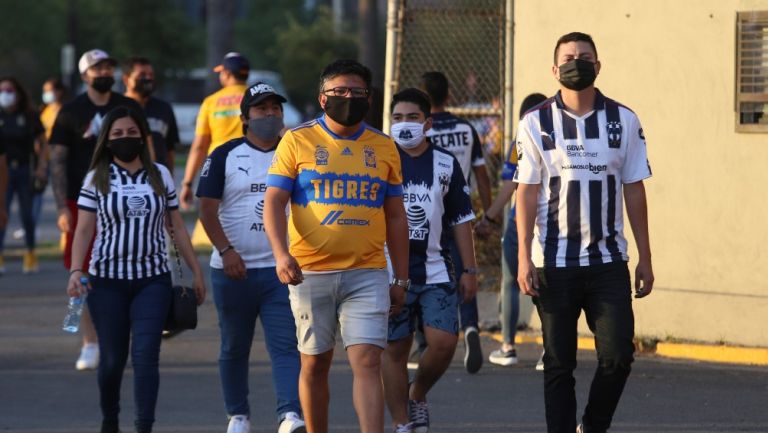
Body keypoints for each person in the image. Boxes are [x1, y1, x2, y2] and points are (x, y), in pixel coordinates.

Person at [515, 32, 654, 433]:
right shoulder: (534, 122)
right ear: (554, 69)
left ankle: (592, 426)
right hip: (553, 264)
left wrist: (645, 256)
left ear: (598, 64)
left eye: (585, 56)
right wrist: (524, 256)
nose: (578, 61)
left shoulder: (624, 120)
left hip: (609, 262)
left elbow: (634, 187)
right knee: (559, 363)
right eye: (569, 57)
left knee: (618, 357)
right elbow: (525, 193)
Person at [263, 59, 409, 433]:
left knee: (367, 362)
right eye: (339, 92)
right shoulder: (297, 140)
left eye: (356, 92)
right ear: (322, 98)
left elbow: (395, 217)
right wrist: (281, 255)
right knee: (314, 363)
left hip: (368, 272)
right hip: (309, 272)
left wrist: (401, 279)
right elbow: (274, 203)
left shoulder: (384, 146)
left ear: (369, 98)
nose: (348, 98)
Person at [66, 106, 206, 433]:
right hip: (106, 282)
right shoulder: (96, 177)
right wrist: (75, 270)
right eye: (117, 134)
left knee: (145, 358)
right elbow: (83, 230)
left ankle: (144, 426)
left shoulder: (161, 174)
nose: (125, 139)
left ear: (142, 137)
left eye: (131, 133)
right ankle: (110, 420)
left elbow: (177, 227)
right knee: (112, 362)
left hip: (152, 281)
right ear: (106, 140)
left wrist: (196, 271)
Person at [197, 82, 305, 433]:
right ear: (245, 118)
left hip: (279, 269)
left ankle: (290, 415)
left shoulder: (295, 152)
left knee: (286, 345)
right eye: (261, 110)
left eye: (276, 109)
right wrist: (226, 251)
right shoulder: (224, 155)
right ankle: (238, 415)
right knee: (234, 346)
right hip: (233, 271)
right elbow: (206, 211)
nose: (270, 115)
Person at [382, 88, 478, 433]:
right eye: (396, 118)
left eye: (411, 117)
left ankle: (417, 393)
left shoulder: (444, 162)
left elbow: (461, 218)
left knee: (443, 342)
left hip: (437, 270)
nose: (403, 124)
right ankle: (401, 422)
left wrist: (469, 268)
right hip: (389, 274)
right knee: (394, 349)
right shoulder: (381, 160)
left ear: (428, 123)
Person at [50, 49, 143, 370]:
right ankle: (87, 341)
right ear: (84, 75)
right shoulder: (70, 111)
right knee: (80, 271)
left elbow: (149, 149)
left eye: (108, 66)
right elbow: (58, 162)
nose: (105, 71)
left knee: (130, 267)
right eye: (97, 67)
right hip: (81, 201)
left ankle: (118, 337)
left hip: (126, 197)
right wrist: (62, 206)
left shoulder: (127, 106)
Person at [418, 71, 492, 374]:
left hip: (427, 214)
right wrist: (488, 214)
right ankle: (471, 327)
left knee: (426, 272)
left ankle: (425, 338)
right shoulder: (465, 128)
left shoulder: (422, 130)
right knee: (465, 273)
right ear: (449, 96)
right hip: (460, 210)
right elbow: (482, 175)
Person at [475, 92, 548, 368]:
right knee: (546, 288)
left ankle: (508, 347)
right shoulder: (561, 137)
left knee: (510, 282)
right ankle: (548, 350)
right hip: (550, 225)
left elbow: (511, 185)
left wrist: (490, 217)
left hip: (523, 223)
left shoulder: (522, 140)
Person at [180, 52, 250, 248]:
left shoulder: (211, 102)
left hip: (219, 167)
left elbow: (199, 145)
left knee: (213, 213)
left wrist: (187, 183)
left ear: (227, 74)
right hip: (252, 164)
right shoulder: (256, 99)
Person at [0, 76, 47, 274]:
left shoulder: (28, 115)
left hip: (24, 169)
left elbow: (43, 141)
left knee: (27, 214)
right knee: (2, 212)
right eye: (2, 91)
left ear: (18, 94)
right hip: (3, 171)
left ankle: (30, 252)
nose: (5, 95)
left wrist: (41, 166)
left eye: (10, 91)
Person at [123, 57, 180, 172]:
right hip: (126, 178)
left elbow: (170, 148)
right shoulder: (118, 107)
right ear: (126, 79)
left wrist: (169, 178)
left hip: (157, 177)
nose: (148, 78)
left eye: (151, 75)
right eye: (142, 75)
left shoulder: (164, 108)